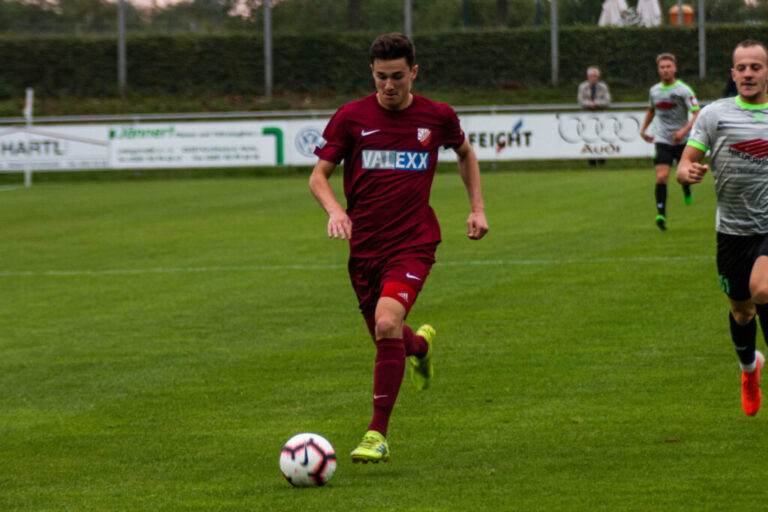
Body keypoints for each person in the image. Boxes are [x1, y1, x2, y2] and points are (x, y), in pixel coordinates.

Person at [308, 33, 489, 463]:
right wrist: (336, 211)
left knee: (387, 322)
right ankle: (420, 349)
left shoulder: (437, 117)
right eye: (381, 77)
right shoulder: (351, 118)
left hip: (414, 241)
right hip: (365, 249)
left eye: (397, 77)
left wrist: (477, 208)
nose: (389, 86)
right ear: (372, 73)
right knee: (384, 333)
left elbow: (465, 153)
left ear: (414, 72)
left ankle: (377, 434)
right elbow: (318, 177)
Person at [677, 39, 768, 416]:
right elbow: (685, 162)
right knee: (742, 311)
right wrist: (687, 172)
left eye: (756, 67)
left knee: (763, 289)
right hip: (732, 231)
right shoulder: (714, 115)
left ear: (767, 72)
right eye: (741, 67)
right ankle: (749, 369)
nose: (748, 73)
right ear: (733, 73)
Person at [639, 53, 700, 231]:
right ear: (658, 70)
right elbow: (651, 110)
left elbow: (697, 113)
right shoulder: (654, 91)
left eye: (668, 67)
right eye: (662, 67)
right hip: (662, 139)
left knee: (685, 176)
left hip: (682, 141)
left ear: (674, 68)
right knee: (661, 177)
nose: (665, 70)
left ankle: (686, 188)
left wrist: (683, 131)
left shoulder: (683, 90)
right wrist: (643, 130)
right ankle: (661, 214)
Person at [577, 66, 612, 166]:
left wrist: (596, 103)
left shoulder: (603, 87)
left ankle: (602, 157)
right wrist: (589, 104)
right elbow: (581, 101)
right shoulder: (582, 87)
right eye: (591, 76)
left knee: (602, 137)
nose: (593, 78)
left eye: (595, 76)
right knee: (589, 137)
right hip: (587, 117)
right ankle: (591, 158)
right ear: (588, 77)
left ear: (598, 77)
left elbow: (607, 101)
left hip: (601, 117)